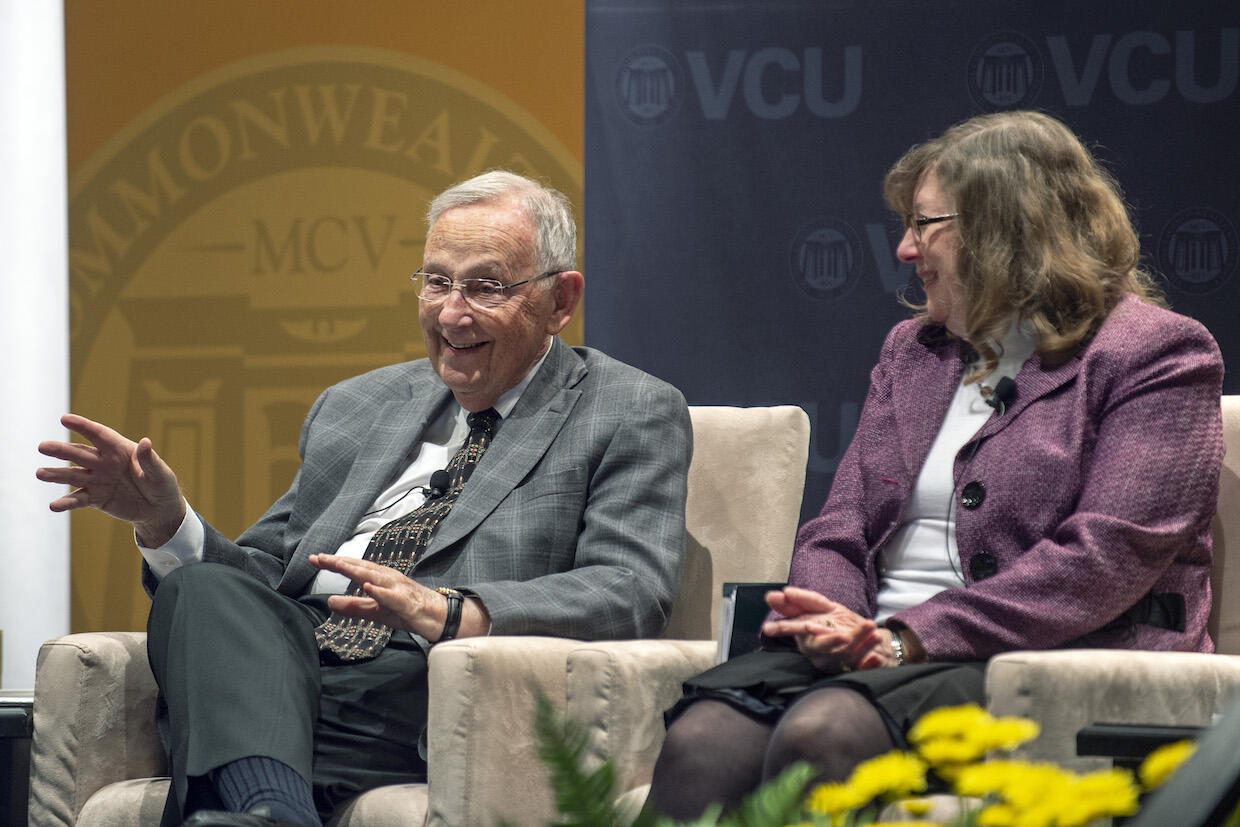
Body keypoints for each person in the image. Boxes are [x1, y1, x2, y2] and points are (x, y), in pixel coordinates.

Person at [37, 171, 692, 827]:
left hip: (431, 680)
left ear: (560, 299)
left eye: (486, 287)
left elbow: (629, 587)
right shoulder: (358, 406)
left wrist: (445, 609)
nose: (451, 312)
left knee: (222, 716)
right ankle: (276, 812)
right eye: (437, 281)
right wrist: (166, 521)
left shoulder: (627, 410)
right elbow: (266, 579)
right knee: (198, 590)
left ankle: (262, 796)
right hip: (291, 667)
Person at [645, 110, 1225, 820]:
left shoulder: (1155, 353)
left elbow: (1104, 557)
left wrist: (909, 636)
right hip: (875, 648)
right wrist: (839, 624)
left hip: (1045, 655)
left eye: (926, 225)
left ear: (1007, 227)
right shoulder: (914, 351)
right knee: (703, 738)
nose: (903, 249)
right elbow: (841, 527)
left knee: (824, 731)